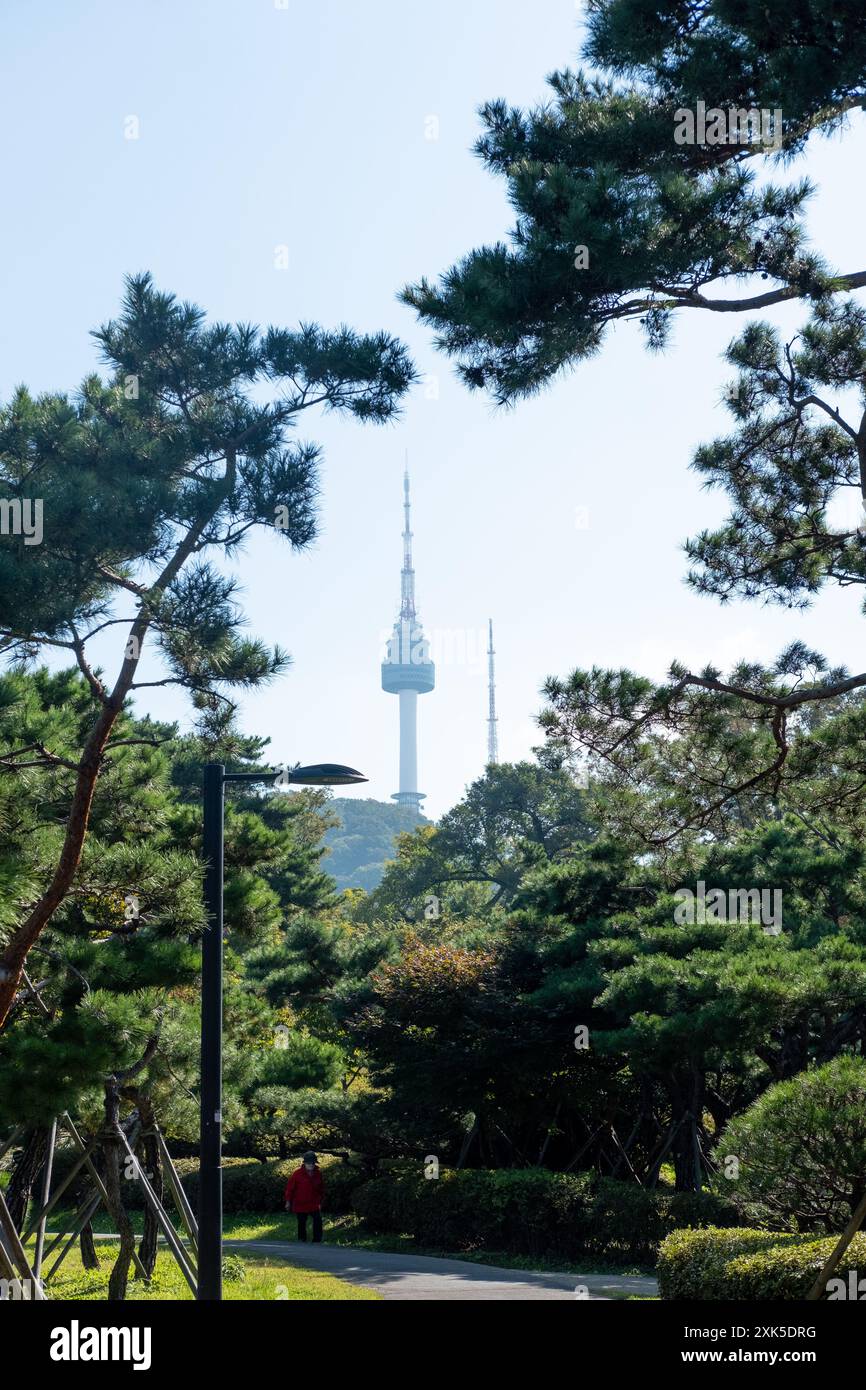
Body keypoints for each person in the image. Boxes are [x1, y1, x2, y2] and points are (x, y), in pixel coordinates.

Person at [284, 1150, 325, 1243]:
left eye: (313, 1163)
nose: (311, 1165)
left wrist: (321, 1200)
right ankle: (302, 1240)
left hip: (314, 1203)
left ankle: (317, 1240)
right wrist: (288, 1201)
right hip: (300, 1203)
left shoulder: (318, 1174)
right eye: (309, 1163)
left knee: (317, 1219)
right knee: (302, 1222)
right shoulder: (297, 1174)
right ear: (305, 1163)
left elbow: (321, 1188)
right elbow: (290, 1189)